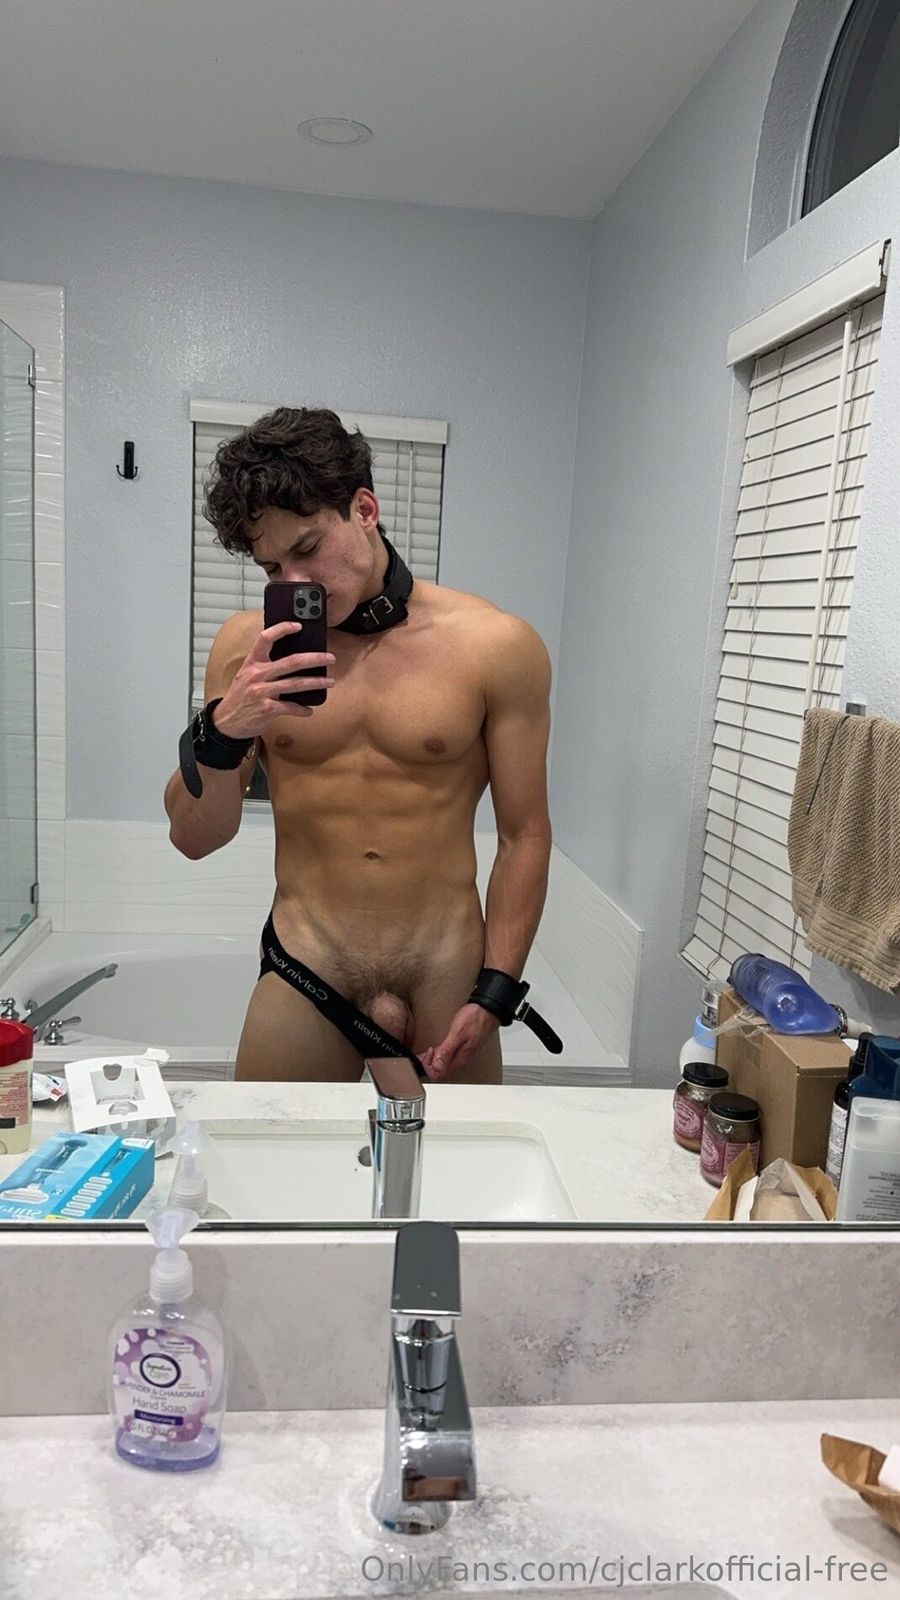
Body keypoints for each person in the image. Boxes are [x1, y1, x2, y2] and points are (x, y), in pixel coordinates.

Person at [165, 407, 554, 1084]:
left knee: (458, 1157)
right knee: (267, 1153)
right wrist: (225, 727)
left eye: (308, 549)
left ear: (365, 510)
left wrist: (496, 989)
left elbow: (525, 835)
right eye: (271, 566)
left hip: (446, 968)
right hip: (308, 964)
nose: (293, 584)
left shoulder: (495, 646)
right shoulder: (245, 650)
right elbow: (195, 838)